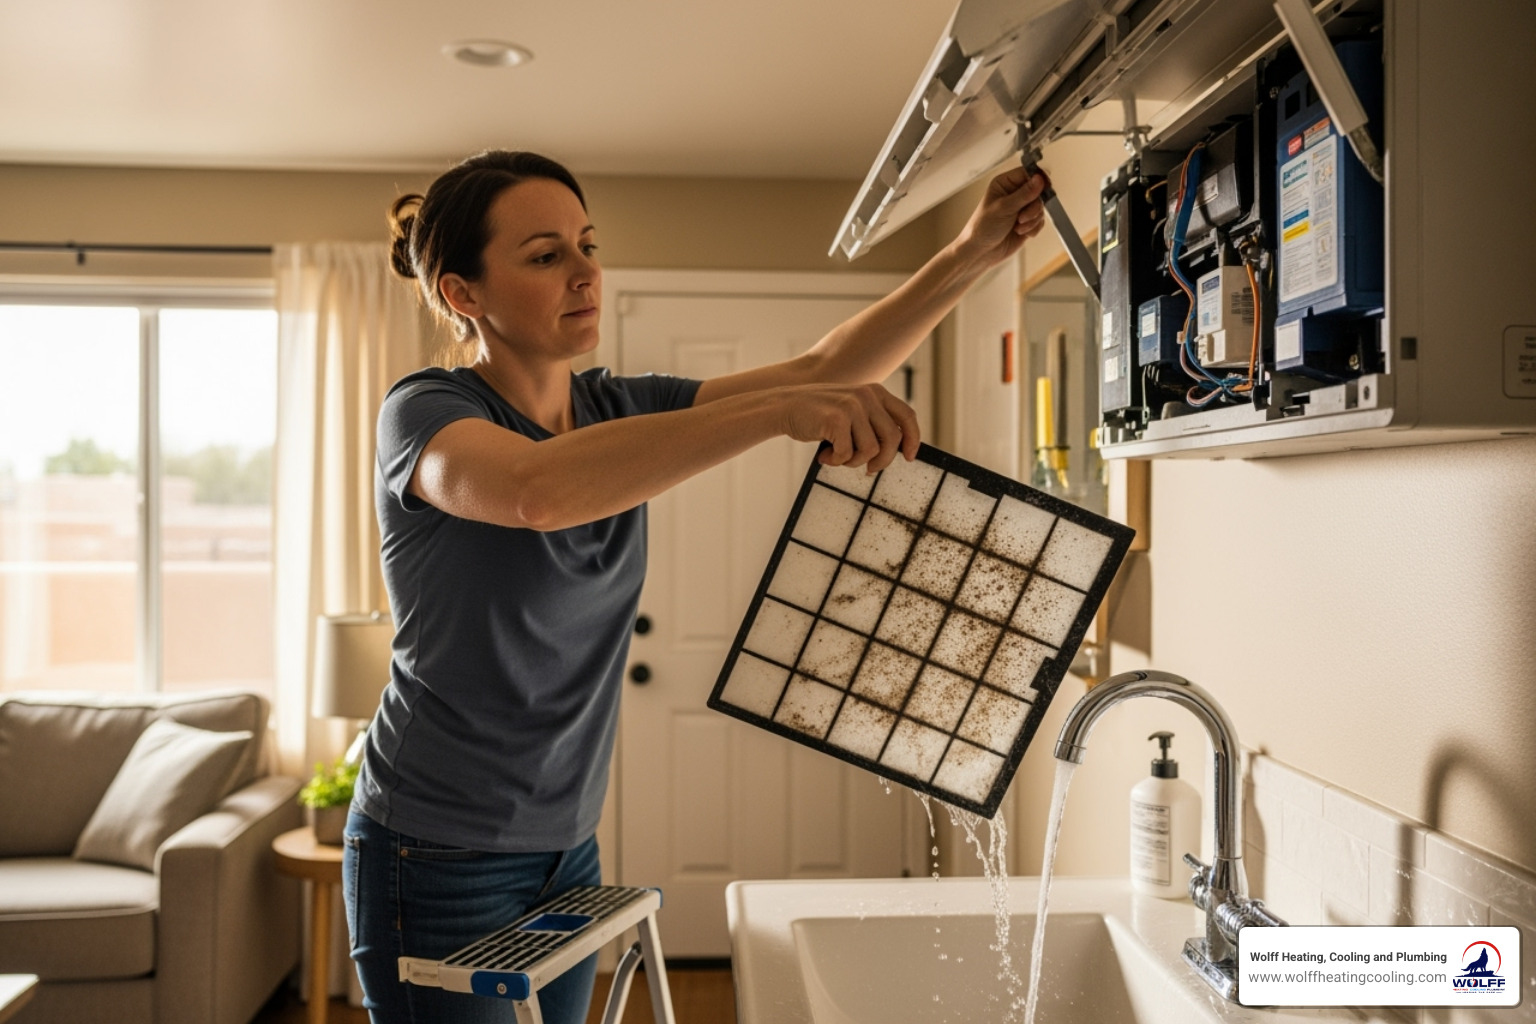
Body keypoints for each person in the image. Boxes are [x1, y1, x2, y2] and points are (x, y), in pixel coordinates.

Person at [342, 148, 1048, 1024]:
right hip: (431, 850)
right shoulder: (426, 412)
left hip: (566, 845)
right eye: (545, 255)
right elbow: (536, 491)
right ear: (463, 294)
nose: (584, 273)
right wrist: (771, 416)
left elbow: (824, 365)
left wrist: (973, 252)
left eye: (587, 245)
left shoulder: (616, 411)